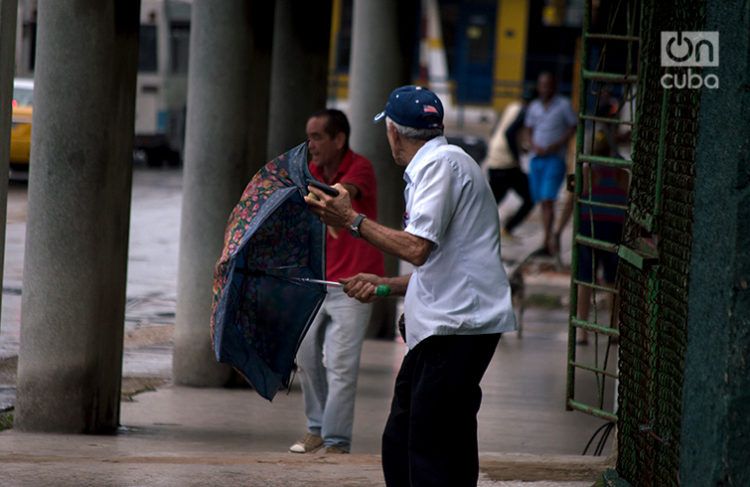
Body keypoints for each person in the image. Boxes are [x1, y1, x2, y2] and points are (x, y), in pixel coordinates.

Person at [305, 86, 516, 486]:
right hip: (448, 326)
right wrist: (384, 285)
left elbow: (417, 249)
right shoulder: (440, 166)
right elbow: (442, 265)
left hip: (455, 329)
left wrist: (352, 220)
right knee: (420, 439)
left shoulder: (440, 167)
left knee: (424, 446)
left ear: (393, 132)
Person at [289, 109, 384, 455]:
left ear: (339, 140)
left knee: (341, 364)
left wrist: (320, 194)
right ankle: (317, 427)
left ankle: (336, 440)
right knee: (307, 356)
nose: (310, 145)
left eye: (317, 137)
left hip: (355, 285)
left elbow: (347, 192)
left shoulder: (360, 167)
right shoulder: (309, 173)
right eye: (308, 136)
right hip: (316, 283)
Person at [574, 130, 628, 345]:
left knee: (585, 280)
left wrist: (558, 230)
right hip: (614, 229)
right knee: (613, 282)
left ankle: (582, 331)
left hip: (590, 228)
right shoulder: (621, 172)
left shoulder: (587, 171)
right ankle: (612, 329)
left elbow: (574, 201)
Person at [524, 72, 577, 256]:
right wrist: (533, 144)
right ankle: (548, 239)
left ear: (554, 86)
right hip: (536, 159)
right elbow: (529, 129)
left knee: (548, 199)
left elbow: (573, 126)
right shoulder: (534, 106)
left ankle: (549, 241)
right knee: (542, 202)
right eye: (542, 85)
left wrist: (556, 145)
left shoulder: (563, 105)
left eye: (548, 85)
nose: (544, 88)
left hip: (555, 159)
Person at [483, 89, 535, 239]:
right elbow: (509, 133)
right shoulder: (525, 112)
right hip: (506, 162)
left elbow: (498, 130)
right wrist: (517, 157)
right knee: (530, 197)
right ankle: (508, 228)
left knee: (493, 201)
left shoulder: (512, 107)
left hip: (495, 156)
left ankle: (481, 231)